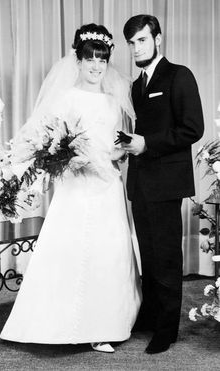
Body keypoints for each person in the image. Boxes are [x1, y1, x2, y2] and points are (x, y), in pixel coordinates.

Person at [0, 23, 142, 353]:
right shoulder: (64, 97)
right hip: (76, 187)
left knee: (108, 253)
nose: (96, 66)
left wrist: (117, 153)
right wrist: (68, 157)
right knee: (71, 249)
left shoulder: (111, 100)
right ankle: (56, 323)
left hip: (107, 186)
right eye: (90, 59)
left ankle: (104, 325)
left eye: (102, 60)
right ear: (77, 60)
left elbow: (116, 141)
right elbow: (45, 140)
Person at [122, 15, 204, 354]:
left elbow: (192, 128)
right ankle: (152, 314)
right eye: (132, 43)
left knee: (167, 257)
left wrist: (146, 144)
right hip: (140, 183)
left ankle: (167, 329)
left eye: (142, 39)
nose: (136, 47)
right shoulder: (136, 85)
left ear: (158, 39)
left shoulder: (179, 75)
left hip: (167, 183)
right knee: (149, 254)